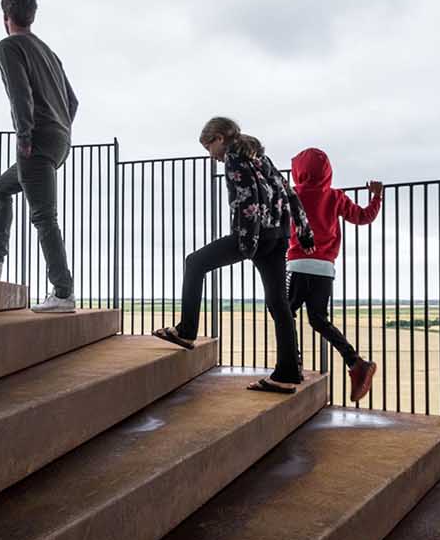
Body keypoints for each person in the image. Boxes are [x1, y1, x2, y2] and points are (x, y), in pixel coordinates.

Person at [154, 116, 314, 393]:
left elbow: (246, 199)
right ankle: (288, 372)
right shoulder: (261, 158)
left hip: (253, 236)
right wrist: (304, 231)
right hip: (278, 237)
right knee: (279, 304)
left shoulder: (234, 158)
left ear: (219, 138)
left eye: (208, 148)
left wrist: (247, 243)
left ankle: (186, 331)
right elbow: (290, 194)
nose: (210, 155)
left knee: (194, 263)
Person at [0, 0, 79, 312]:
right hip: (59, 142)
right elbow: (72, 101)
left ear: (6, 17)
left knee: (44, 217)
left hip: (38, 142)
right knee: (1, 187)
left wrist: (26, 136)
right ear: (32, 16)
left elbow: (20, 95)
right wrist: (61, 129)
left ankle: (62, 292)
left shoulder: (9, 47)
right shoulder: (49, 52)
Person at [288, 147, 384, 404]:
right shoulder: (335, 197)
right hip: (324, 269)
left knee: (283, 310)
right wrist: (376, 197)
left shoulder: (293, 195)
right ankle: (356, 363)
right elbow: (364, 217)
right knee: (318, 320)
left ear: (299, 171)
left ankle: (291, 363)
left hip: (297, 265)